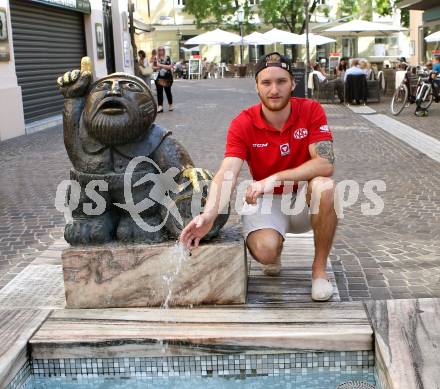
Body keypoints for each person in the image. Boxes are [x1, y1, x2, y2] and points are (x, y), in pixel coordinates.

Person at [180, 52, 337, 301]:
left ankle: (319, 271)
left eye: (281, 81)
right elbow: (227, 171)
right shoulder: (243, 123)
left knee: (325, 186)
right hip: (268, 201)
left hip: (304, 202)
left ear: (292, 83)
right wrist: (209, 214)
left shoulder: (311, 110)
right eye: (266, 82)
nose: (274, 89)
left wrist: (273, 179)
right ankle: (275, 250)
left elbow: (326, 163)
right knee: (265, 252)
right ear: (256, 86)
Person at [153, 46, 174, 113]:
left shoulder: (167, 58)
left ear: (164, 51)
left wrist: (160, 65)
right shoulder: (156, 58)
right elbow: (153, 67)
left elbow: (169, 67)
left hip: (167, 77)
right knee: (159, 92)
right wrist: (158, 67)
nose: (160, 51)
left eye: (162, 50)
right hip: (159, 77)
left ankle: (170, 105)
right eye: (159, 50)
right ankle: (160, 106)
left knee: (168, 91)